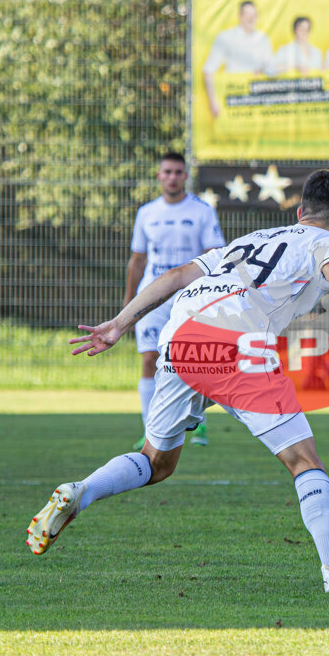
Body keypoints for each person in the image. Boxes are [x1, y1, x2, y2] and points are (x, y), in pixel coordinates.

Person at [27, 171, 329, 594]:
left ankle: (82, 491)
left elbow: (173, 277)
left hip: (179, 339)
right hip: (235, 346)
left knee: (157, 462)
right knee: (304, 461)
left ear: (300, 211)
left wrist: (119, 323)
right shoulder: (326, 242)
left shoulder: (250, 240)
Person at [125, 152, 225, 451]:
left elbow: (215, 256)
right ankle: (149, 430)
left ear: (185, 176)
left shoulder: (203, 211)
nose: (172, 177)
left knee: (193, 360)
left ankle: (197, 420)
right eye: (167, 171)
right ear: (159, 175)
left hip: (190, 296)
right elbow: (137, 260)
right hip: (153, 295)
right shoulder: (147, 213)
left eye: (177, 172)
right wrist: (128, 304)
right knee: (148, 359)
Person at [203, 0, 274, 117]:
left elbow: (272, 71)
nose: (251, 18)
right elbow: (208, 70)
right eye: (247, 15)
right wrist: (213, 102)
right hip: (233, 102)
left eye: (254, 15)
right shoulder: (225, 38)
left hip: (258, 103)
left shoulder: (264, 40)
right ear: (240, 16)